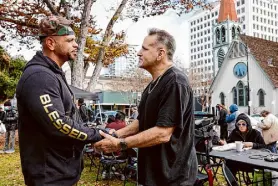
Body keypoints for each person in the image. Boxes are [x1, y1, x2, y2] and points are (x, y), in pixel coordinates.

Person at [94, 28, 198, 186]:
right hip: (152, 174)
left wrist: (121, 144)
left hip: (173, 177)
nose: (138, 53)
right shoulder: (152, 85)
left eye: (144, 48)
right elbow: (141, 122)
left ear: (160, 54)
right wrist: (114, 135)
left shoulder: (175, 82)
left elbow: (163, 133)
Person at [16, 15, 103, 186]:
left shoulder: (53, 74)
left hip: (62, 172)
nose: (76, 44)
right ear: (51, 43)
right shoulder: (40, 77)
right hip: (49, 177)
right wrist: (96, 134)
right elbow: (59, 124)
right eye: (70, 40)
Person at [222, 113, 267, 177]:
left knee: (260, 167)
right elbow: (228, 143)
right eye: (239, 124)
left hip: (252, 160)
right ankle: (232, 182)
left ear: (248, 124)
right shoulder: (234, 132)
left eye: (243, 124)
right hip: (238, 160)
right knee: (228, 163)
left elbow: (264, 146)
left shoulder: (255, 133)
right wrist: (225, 143)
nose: (241, 126)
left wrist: (252, 144)